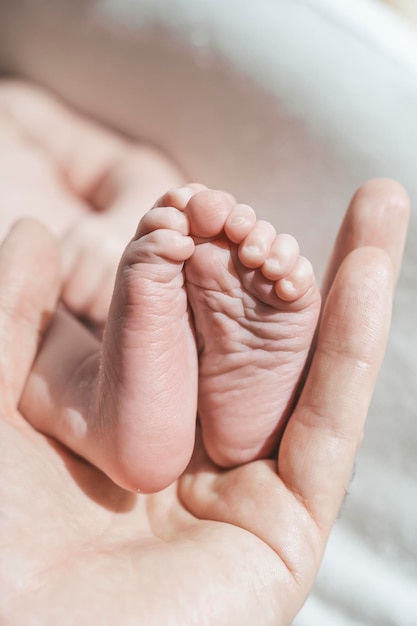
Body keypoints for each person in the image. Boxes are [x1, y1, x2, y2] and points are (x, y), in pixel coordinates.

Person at [0, 80, 410, 624]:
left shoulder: (16, 107)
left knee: (163, 241)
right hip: (32, 340)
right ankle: (122, 420)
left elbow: (130, 167)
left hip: (115, 281)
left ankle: (199, 351)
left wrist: (117, 224)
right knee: (40, 346)